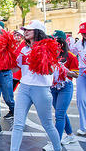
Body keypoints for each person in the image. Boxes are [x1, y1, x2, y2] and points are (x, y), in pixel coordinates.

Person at [10, 20, 61, 151]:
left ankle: (58, 148)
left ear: (38, 32)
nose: (25, 32)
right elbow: (15, 69)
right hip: (24, 88)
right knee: (17, 124)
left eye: (29, 30)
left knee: (48, 124)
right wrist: (7, 58)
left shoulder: (47, 48)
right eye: (25, 30)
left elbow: (50, 71)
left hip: (41, 89)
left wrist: (39, 58)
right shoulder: (24, 48)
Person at [42, 30, 78, 149]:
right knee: (61, 112)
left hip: (65, 87)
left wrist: (65, 71)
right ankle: (70, 135)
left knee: (59, 114)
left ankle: (55, 142)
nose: (55, 43)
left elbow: (76, 74)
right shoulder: (51, 55)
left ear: (62, 42)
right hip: (53, 88)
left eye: (57, 40)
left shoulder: (71, 56)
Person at [72, 22, 86, 135]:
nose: (84, 35)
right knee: (81, 99)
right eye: (82, 33)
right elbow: (72, 52)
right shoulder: (79, 44)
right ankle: (83, 127)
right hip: (82, 72)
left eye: (85, 33)